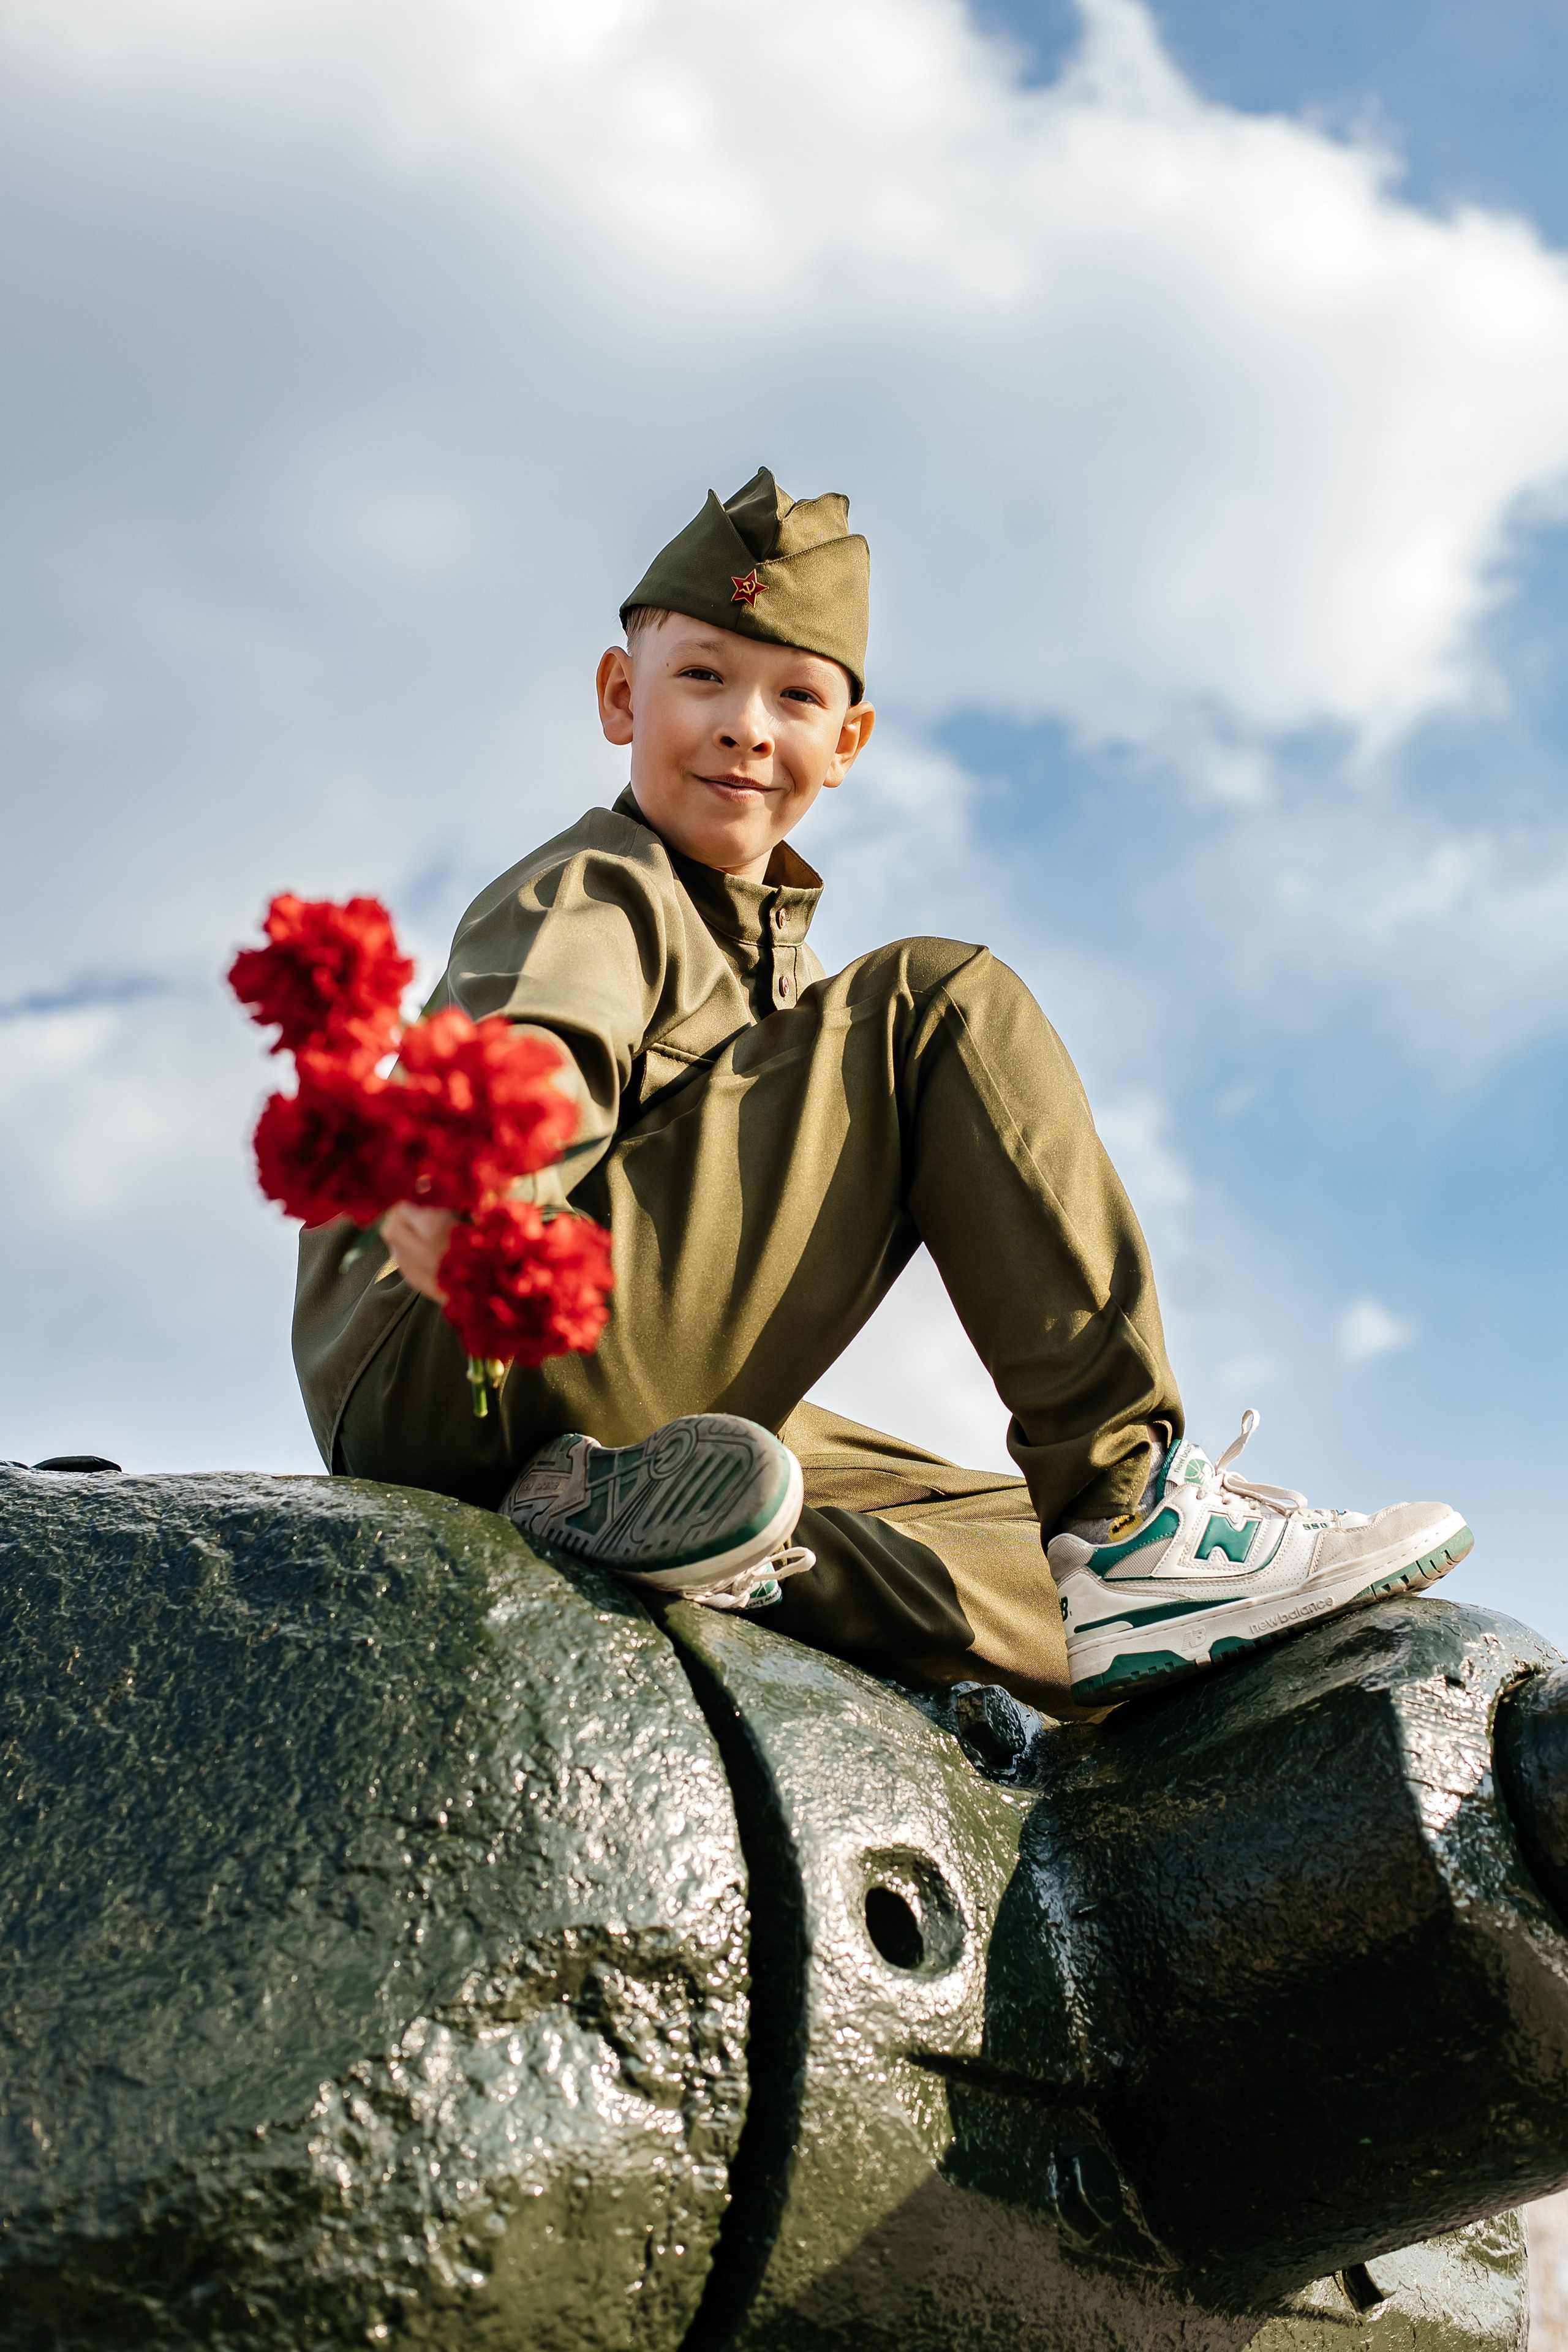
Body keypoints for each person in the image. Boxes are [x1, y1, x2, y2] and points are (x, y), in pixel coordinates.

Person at [293, 468, 1471, 1714]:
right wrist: (478, 1217)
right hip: (468, 1345)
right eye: (701, 677)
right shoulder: (599, 886)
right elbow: (515, 1072)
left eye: (794, 695)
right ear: (616, 695)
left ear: (845, 744)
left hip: (595, 1436)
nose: (746, 725)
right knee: (937, 999)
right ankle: (1134, 1519)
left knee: (1017, 1547)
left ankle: (731, 1552)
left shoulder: (780, 980)